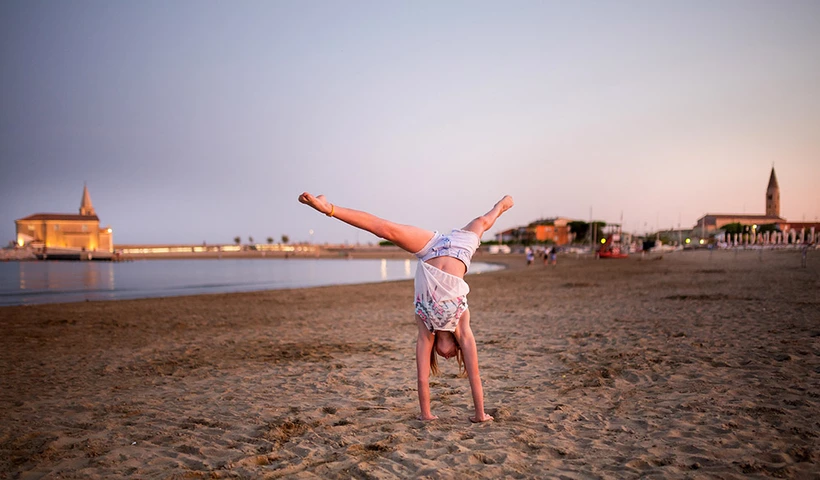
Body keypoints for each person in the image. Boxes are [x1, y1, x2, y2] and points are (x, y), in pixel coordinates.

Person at [298, 192, 514, 423]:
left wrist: (426, 414)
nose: (448, 358)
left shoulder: (426, 327)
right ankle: (501, 205)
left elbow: (422, 377)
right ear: (456, 347)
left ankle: (327, 207)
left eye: (442, 358)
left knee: (385, 229)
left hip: (430, 249)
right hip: (461, 249)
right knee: (483, 222)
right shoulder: (462, 325)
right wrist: (480, 414)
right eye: (453, 356)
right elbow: (475, 373)